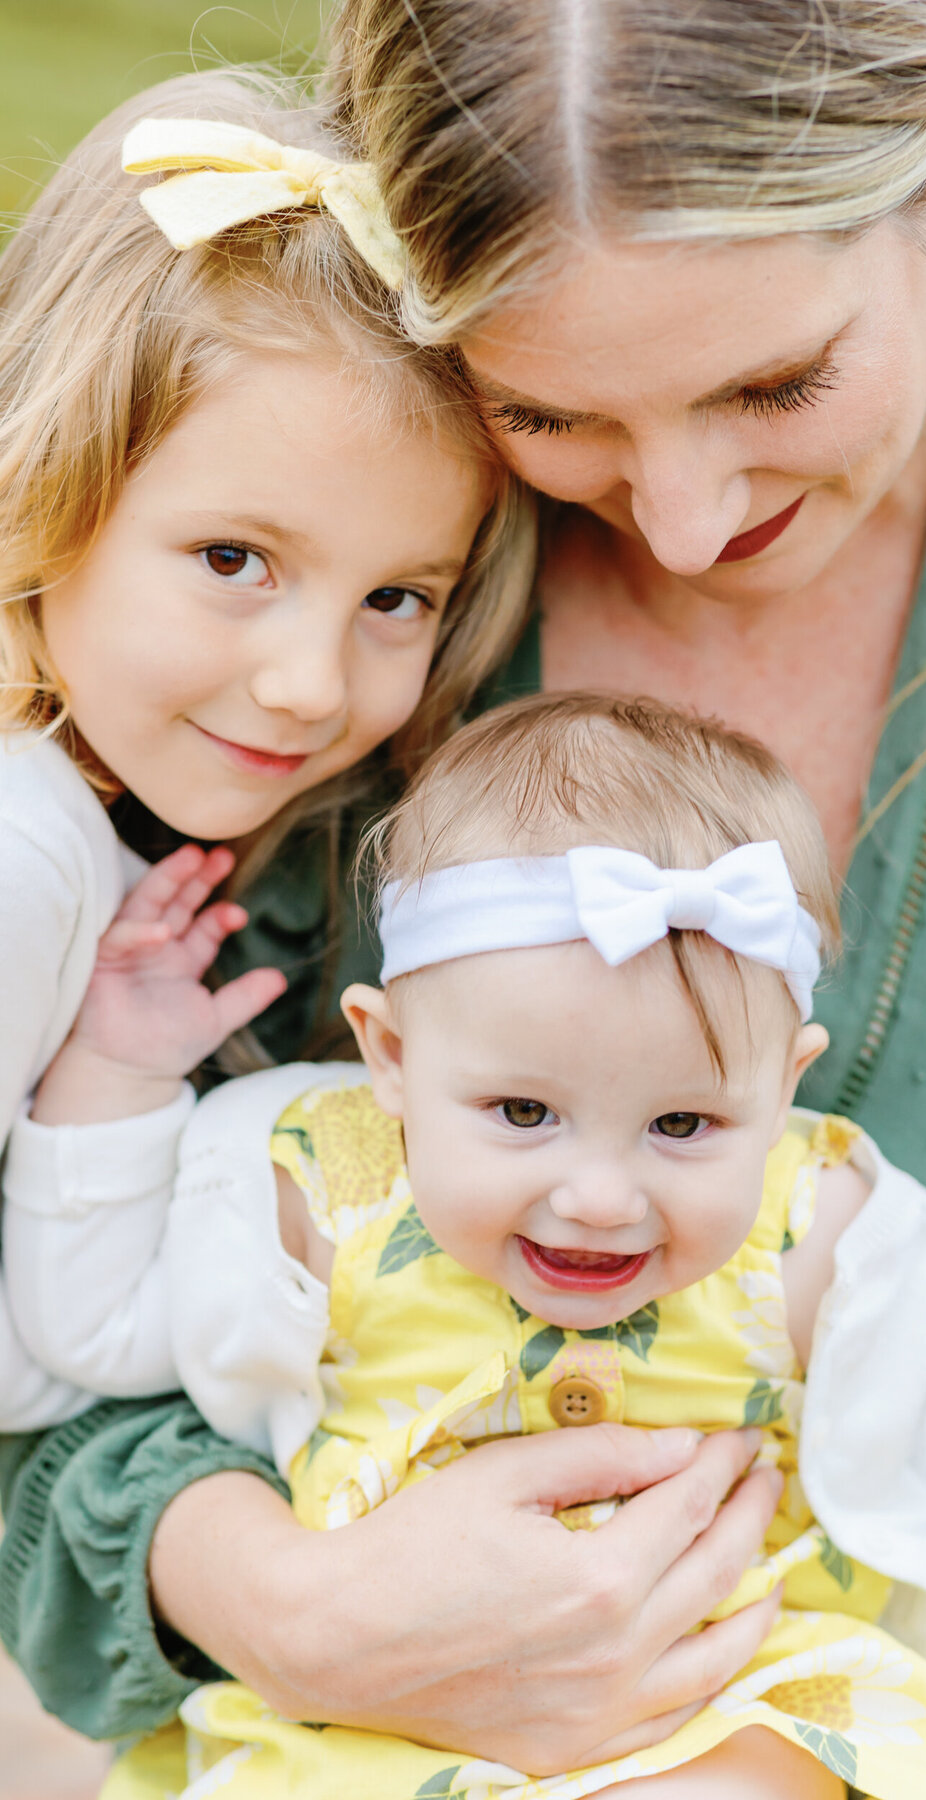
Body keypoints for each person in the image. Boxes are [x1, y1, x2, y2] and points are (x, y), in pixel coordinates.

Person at [3, 3, 926, 1795]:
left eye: (775, 384)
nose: (691, 520)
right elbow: (70, 1305)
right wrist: (279, 1603)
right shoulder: (353, 564)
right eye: (549, 413)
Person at [10, 692, 926, 1800]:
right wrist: (120, 1075)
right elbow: (93, 1335)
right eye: (523, 1114)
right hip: (379, 1712)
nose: (598, 1198)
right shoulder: (310, 1185)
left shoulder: (820, 1230)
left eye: (683, 1125)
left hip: (725, 1690)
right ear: (392, 1055)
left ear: (785, 1089)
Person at [0, 65, 532, 1427]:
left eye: (396, 599)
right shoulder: (25, 849)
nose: (307, 686)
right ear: (52, 478)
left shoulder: (96, 803)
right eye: (233, 559)